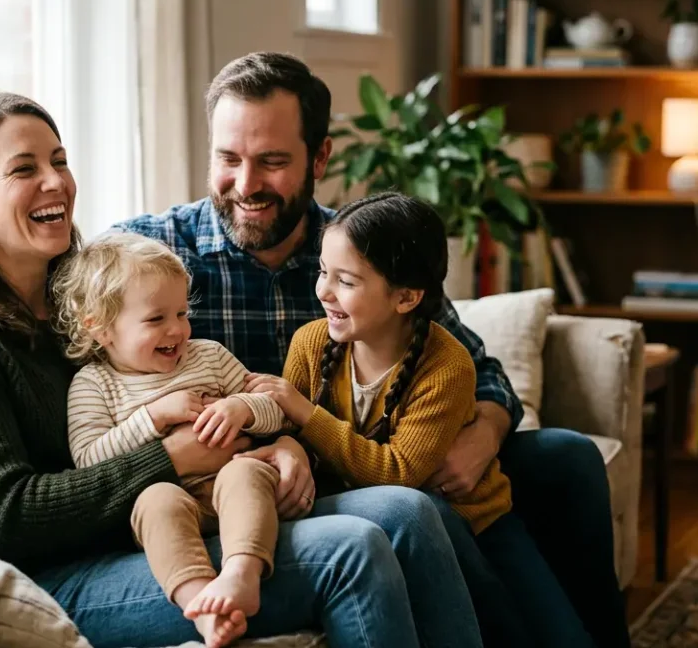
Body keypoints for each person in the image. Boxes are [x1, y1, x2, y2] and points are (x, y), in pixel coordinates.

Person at [0, 51, 629, 647]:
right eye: (229, 158)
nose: (245, 181)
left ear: (318, 160)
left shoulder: (351, 249)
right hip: (196, 499)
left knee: (560, 459)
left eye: (271, 161)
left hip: (302, 459)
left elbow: (466, 357)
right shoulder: (145, 255)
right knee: (397, 514)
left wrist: (481, 428)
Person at [246, 191, 596, 647]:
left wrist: (306, 415)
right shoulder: (312, 343)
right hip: (393, 521)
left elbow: (400, 475)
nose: (322, 291)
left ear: (407, 297)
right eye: (322, 272)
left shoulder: (447, 366)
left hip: (477, 521)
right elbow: (291, 436)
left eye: (345, 281)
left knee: (547, 635)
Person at [51, 231, 290, 647]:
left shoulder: (209, 356)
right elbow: (89, 460)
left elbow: (275, 413)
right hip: (171, 502)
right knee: (156, 500)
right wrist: (153, 417)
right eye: (156, 319)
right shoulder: (94, 385)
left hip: (231, 483)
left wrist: (243, 409)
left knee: (246, 473)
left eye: (181, 313)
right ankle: (199, 603)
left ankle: (241, 573)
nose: (177, 329)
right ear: (101, 329)